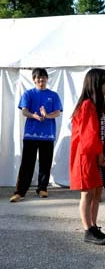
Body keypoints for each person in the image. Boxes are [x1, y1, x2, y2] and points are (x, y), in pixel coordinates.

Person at [69, 68, 105, 245]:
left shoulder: (101, 107)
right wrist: (98, 155)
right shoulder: (87, 105)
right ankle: (88, 229)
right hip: (87, 157)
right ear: (96, 84)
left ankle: (94, 226)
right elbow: (88, 136)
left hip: (98, 155)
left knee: (97, 192)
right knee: (87, 194)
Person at [10, 68, 63, 203]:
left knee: (45, 163)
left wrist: (47, 115)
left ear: (47, 79)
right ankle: (20, 191)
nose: (41, 80)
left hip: (48, 135)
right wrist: (34, 115)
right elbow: (24, 110)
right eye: (38, 78)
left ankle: (42, 188)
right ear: (34, 79)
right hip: (31, 135)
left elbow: (57, 112)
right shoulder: (28, 94)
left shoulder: (53, 95)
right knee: (27, 164)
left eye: (44, 77)